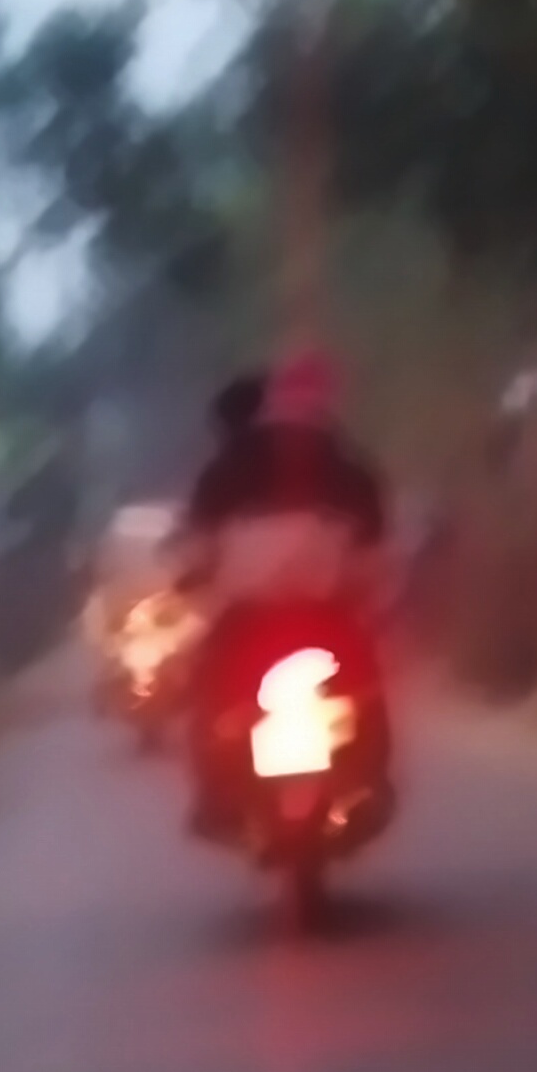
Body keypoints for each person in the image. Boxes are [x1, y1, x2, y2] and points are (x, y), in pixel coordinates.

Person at [174, 352, 393, 841]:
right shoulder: (351, 472)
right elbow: (374, 557)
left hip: (254, 621)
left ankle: (218, 794)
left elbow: (198, 553)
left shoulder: (225, 473)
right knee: (366, 693)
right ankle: (366, 780)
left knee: (212, 694)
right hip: (325, 620)